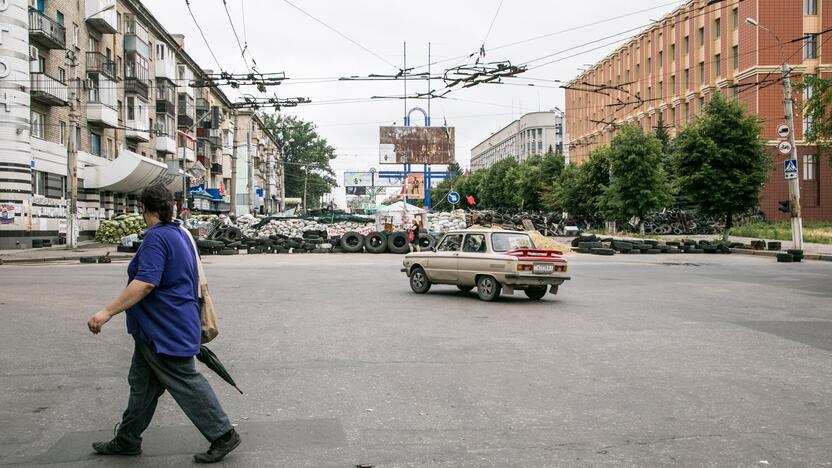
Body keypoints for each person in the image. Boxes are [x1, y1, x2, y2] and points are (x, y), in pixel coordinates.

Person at [87, 184, 240, 464]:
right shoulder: (180, 233)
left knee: (185, 380)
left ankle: (224, 434)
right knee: (142, 384)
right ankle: (127, 439)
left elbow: (145, 282)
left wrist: (107, 312)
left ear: (146, 209)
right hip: (161, 327)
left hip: (164, 329)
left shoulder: (157, 238)